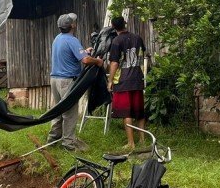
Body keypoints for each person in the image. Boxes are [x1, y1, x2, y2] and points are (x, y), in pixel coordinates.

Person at [48, 13, 104, 151]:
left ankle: (52, 140)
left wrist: (84, 51)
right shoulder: (72, 40)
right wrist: (97, 61)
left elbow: (68, 54)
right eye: (74, 22)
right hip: (66, 81)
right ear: (72, 25)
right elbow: (85, 61)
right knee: (70, 113)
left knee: (58, 110)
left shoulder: (58, 39)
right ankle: (69, 144)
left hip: (55, 79)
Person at [107, 16, 147, 150]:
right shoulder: (138, 38)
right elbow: (143, 55)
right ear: (125, 24)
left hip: (123, 81)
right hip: (137, 78)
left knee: (126, 112)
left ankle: (131, 143)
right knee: (139, 111)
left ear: (113, 27)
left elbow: (114, 63)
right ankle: (142, 141)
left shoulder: (116, 41)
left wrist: (110, 80)